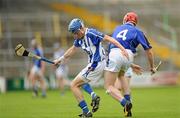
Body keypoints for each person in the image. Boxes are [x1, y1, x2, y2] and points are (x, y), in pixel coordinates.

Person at [53, 18, 129, 117]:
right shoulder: (79, 39)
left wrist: (122, 49)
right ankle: (124, 103)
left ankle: (86, 112)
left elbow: (109, 38)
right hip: (95, 64)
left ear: (81, 28)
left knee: (74, 85)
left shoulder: (91, 33)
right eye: (73, 33)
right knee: (85, 84)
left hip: (96, 64)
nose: (75, 35)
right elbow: (72, 49)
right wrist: (60, 59)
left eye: (75, 32)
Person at [104, 12, 156, 117]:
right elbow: (149, 51)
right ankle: (128, 110)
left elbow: (112, 48)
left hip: (115, 53)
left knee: (109, 87)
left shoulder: (117, 28)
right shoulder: (138, 31)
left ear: (125, 19)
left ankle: (125, 103)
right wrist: (152, 67)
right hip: (129, 55)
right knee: (122, 75)